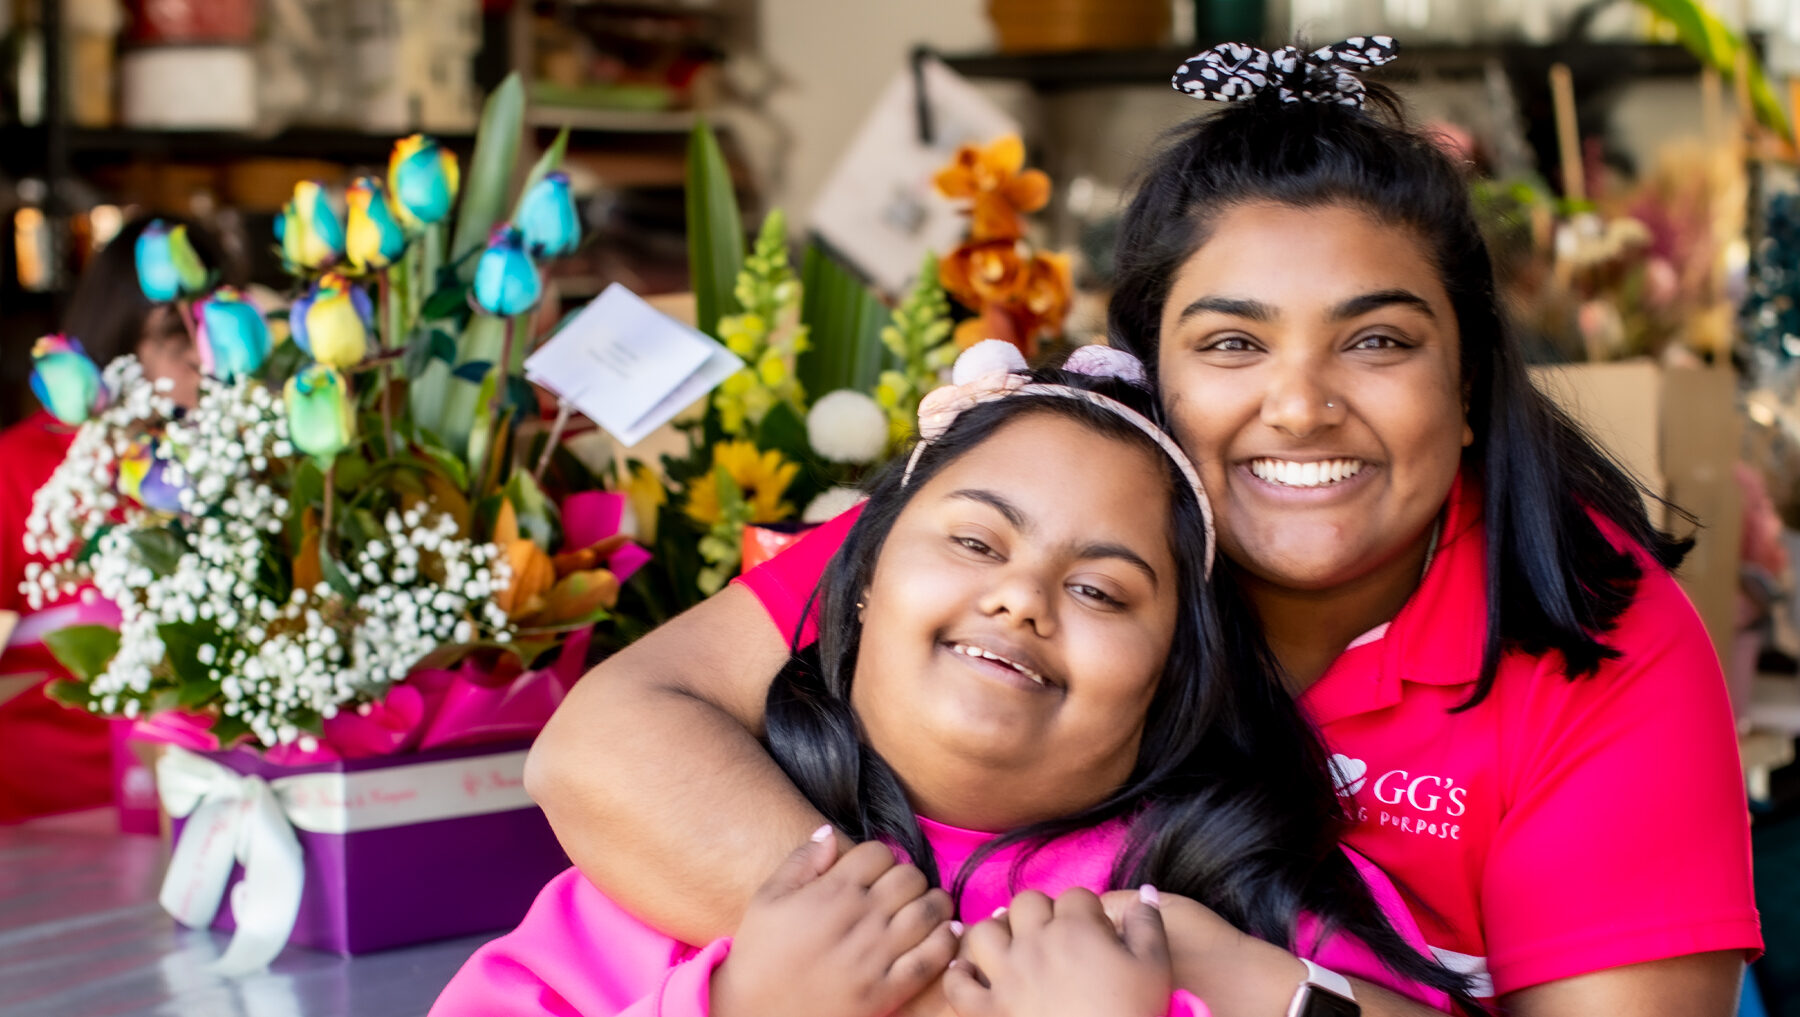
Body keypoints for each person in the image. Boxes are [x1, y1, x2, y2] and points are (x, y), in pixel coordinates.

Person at [524, 38, 1760, 1017]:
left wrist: (1233, 978)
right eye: (1230, 343)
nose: (1300, 404)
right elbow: (606, 743)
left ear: (1470, 380)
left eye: (1378, 341)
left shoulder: (1598, 637)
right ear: (1145, 376)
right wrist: (931, 989)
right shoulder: (1026, 535)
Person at [436, 346, 1474, 1017]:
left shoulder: (1240, 897)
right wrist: (743, 1004)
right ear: (855, 589)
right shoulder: (689, 852)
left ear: (1175, 681)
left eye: (1102, 591)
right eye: (976, 540)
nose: (1022, 598)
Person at [0, 215, 213, 822]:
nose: (203, 359)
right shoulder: (20, 468)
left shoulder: (238, 467)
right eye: (175, 335)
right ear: (117, 339)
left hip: (203, 808)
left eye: (216, 331)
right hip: (46, 820)